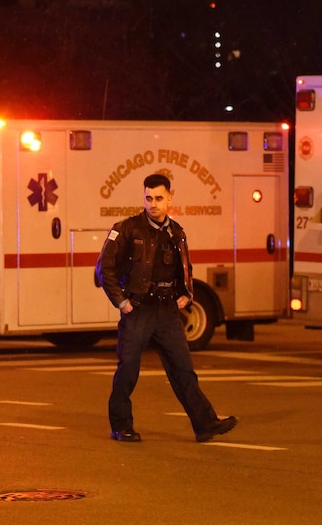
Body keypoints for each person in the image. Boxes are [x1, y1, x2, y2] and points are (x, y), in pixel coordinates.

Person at [95, 173, 237, 443]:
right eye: (148, 198)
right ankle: (121, 426)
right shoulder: (127, 229)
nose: (153, 204)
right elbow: (104, 268)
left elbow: (185, 267)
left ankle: (205, 424)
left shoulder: (177, 232)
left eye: (159, 198)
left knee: (183, 370)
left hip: (167, 312)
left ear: (170, 198)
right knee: (128, 370)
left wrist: (187, 294)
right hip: (138, 310)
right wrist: (122, 303)